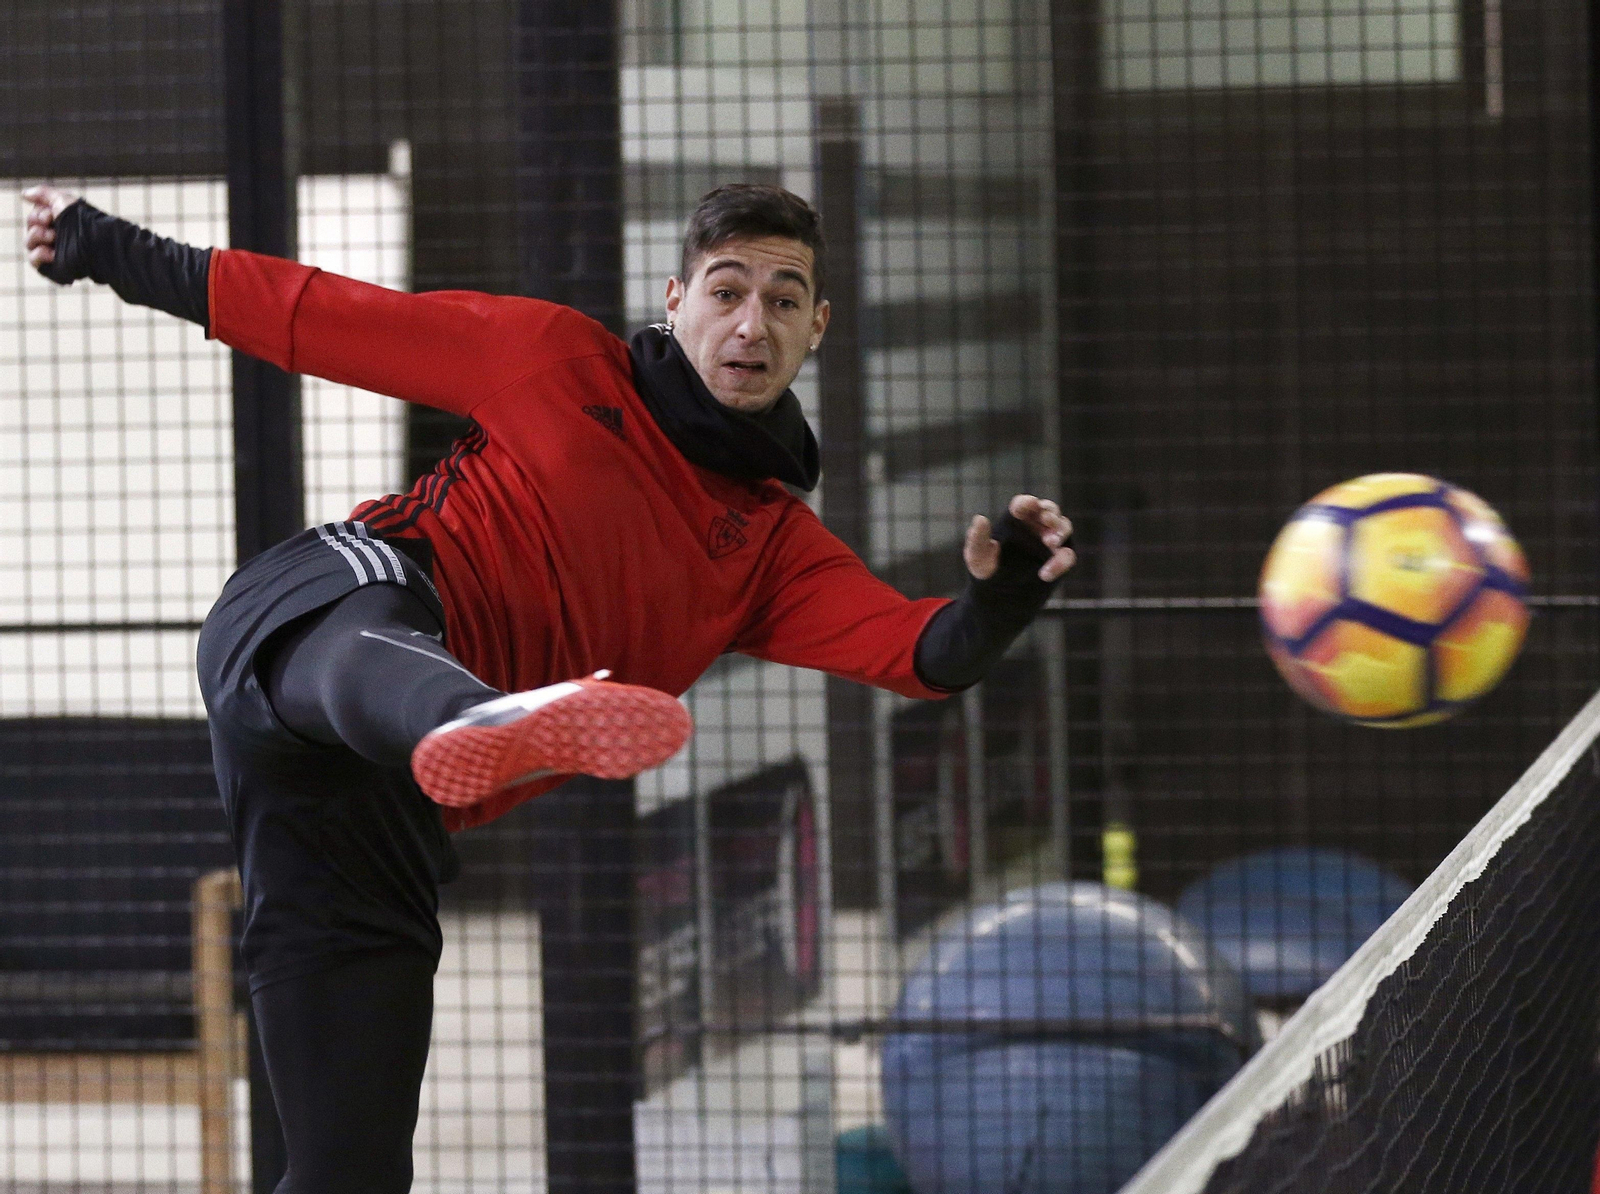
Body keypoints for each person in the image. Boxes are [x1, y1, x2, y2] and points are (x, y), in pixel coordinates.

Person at [21, 180, 1076, 1192]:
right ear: (677, 303)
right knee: (381, 633)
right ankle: (474, 713)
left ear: (817, 330)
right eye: (726, 291)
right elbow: (316, 315)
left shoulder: (770, 550)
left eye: (782, 300)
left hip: (362, 821)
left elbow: (918, 653)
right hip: (329, 608)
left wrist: (1000, 603)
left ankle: (469, 721)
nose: (751, 322)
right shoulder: (553, 356)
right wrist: (102, 245)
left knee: (354, 1168)